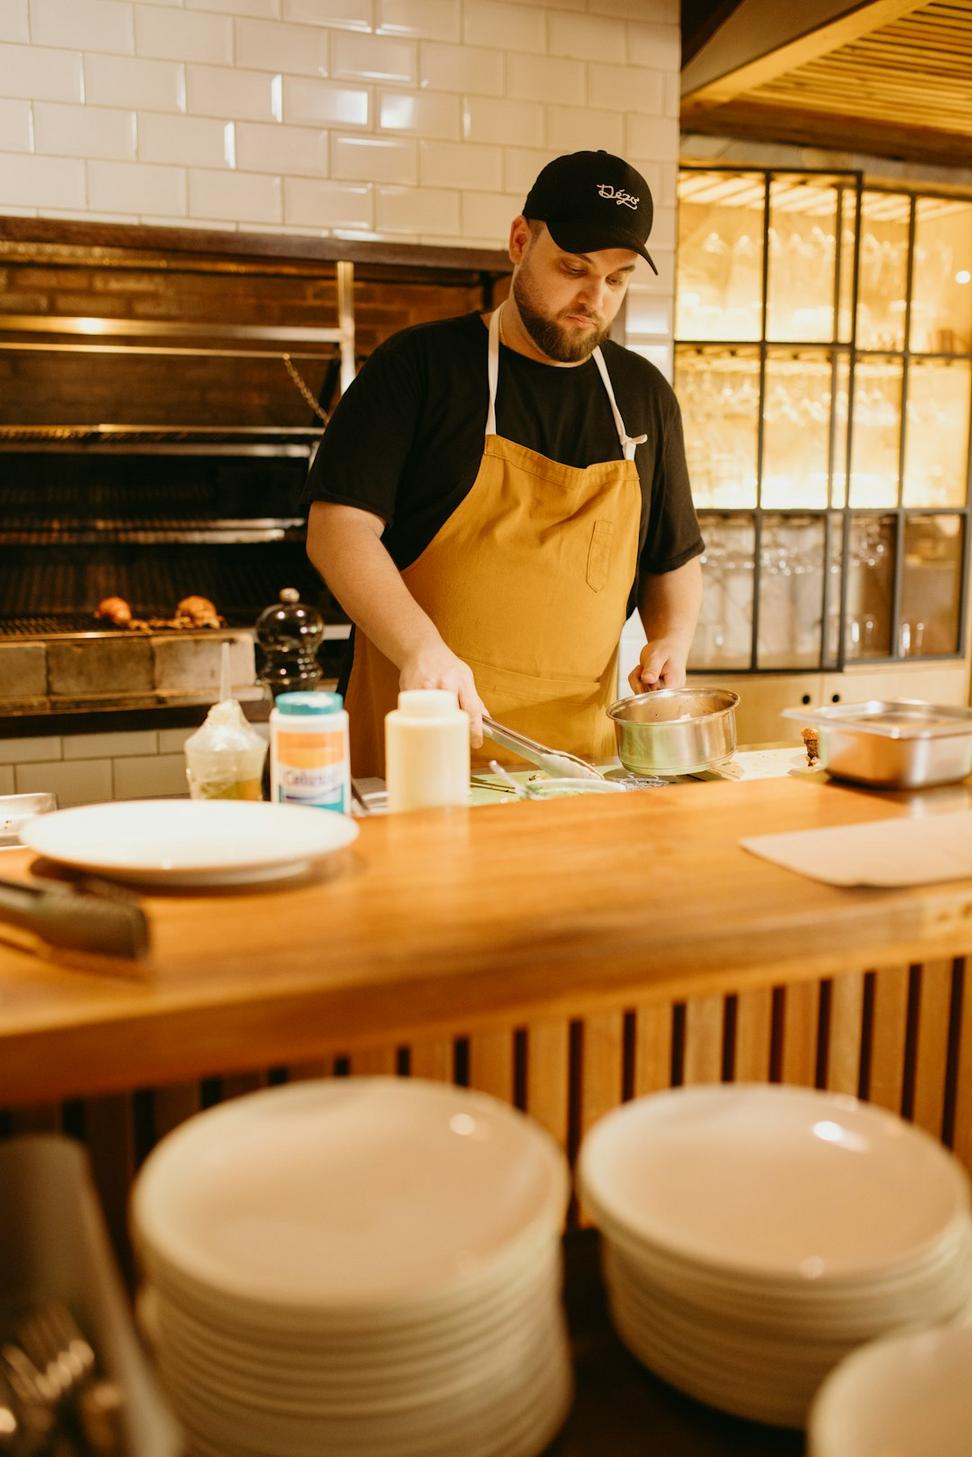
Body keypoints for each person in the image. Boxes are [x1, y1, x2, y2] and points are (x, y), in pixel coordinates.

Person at [304, 149, 704, 776]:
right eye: (573, 267)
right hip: (421, 738)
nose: (593, 297)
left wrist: (672, 638)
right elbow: (338, 531)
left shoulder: (644, 396)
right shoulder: (419, 367)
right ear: (520, 241)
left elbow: (673, 557)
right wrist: (420, 648)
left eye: (617, 278)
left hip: (575, 767)